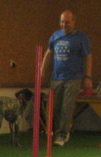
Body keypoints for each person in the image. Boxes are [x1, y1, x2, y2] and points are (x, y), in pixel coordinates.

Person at [40, 9, 93, 146]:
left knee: (67, 107)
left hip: (73, 77)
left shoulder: (82, 38)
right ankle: (58, 131)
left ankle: (62, 134)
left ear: (74, 22)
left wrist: (87, 76)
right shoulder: (55, 36)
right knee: (55, 107)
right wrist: (42, 69)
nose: (64, 25)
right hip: (56, 77)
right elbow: (48, 52)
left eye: (67, 22)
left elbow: (88, 57)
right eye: (62, 22)